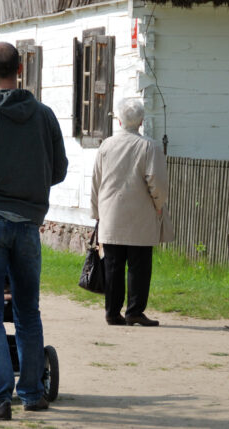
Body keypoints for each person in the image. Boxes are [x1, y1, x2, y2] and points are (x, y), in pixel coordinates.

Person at [0, 41, 68, 420]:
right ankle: (32, 393)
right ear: (20, 70)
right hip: (28, 223)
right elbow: (59, 171)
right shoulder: (45, 115)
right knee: (27, 310)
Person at [91, 98, 169, 328]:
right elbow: (157, 181)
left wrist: (96, 211)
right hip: (141, 213)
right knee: (140, 265)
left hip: (111, 213)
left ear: (119, 120)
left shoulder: (106, 145)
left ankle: (112, 313)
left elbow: (96, 180)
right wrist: (159, 204)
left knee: (113, 266)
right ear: (141, 121)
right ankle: (135, 311)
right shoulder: (149, 146)